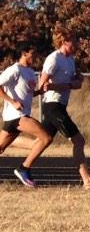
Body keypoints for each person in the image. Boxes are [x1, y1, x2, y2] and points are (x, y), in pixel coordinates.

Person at [36, 30, 90, 188]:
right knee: (79, 140)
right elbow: (42, 86)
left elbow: (75, 79)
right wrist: (68, 85)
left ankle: (6, 146)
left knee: (40, 141)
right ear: (64, 42)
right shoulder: (53, 59)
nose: (77, 44)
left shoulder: (70, 60)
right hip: (52, 106)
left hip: (60, 105)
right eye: (74, 41)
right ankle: (87, 180)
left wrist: (78, 79)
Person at [0, 44, 53, 188]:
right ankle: (24, 169)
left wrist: (40, 92)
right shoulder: (14, 69)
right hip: (16, 115)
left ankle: (24, 169)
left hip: (20, 115)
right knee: (46, 137)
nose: (35, 57)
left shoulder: (30, 72)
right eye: (33, 54)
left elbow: (28, 93)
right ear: (24, 53)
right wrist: (13, 102)